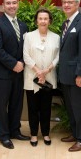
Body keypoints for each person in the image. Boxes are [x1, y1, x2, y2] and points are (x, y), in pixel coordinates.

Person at [0, 0, 30, 149]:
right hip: (2, 73)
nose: (11, 6)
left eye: (14, 3)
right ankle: (4, 135)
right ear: (3, 6)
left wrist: (23, 63)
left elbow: (27, 49)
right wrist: (14, 64)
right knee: (1, 105)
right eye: (8, 3)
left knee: (16, 104)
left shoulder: (23, 25)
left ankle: (15, 130)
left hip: (19, 72)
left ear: (17, 4)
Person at [58, 0, 81, 152]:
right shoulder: (66, 23)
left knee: (80, 108)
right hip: (65, 75)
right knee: (71, 108)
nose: (66, 5)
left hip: (77, 76)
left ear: (77, 4)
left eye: (70, 2)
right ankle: (75, 133)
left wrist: (80, 74)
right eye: (64, 2)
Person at [23, 8, 60, 147]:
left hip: (48, 78)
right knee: (32, 108)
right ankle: (33, 135)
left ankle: (45, 133)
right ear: (36, 20)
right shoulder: (28, 36)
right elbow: (26, 55)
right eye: (40, 18)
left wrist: (47, 70)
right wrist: (38, 71)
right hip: (32, 77)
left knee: (46, 108)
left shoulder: (56, 37)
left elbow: (57, 57)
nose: (43, 21)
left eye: (46, 19)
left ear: (49, 21)